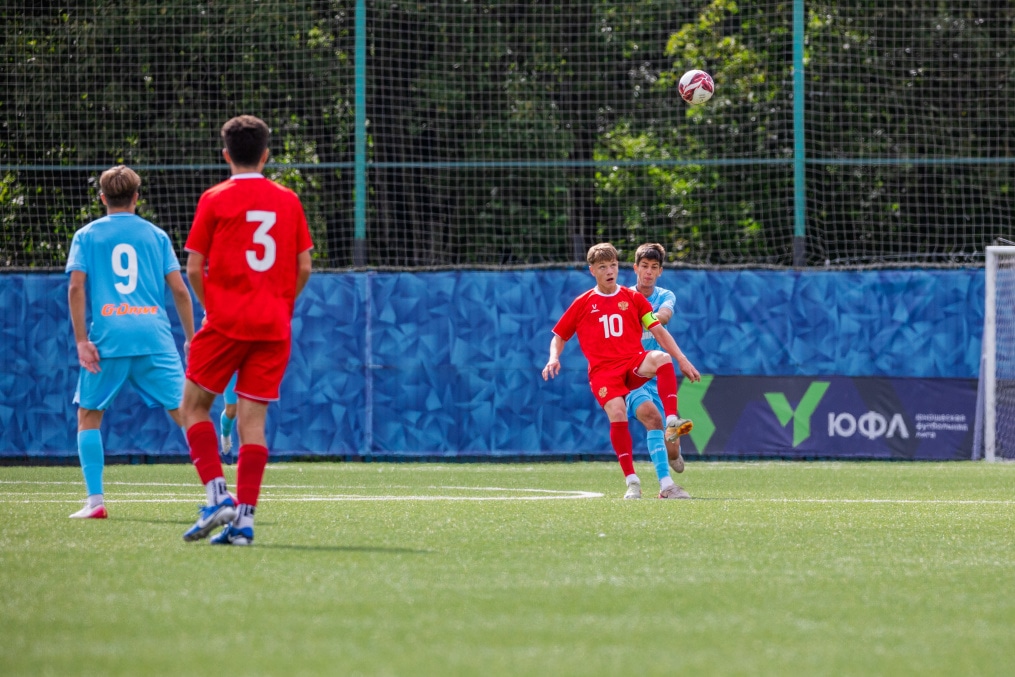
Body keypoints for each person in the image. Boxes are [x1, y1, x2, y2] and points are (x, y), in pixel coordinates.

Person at [181, 114, 313, 546]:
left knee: (193, 407)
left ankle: (218, 496)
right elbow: (304, 265)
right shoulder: (288, 200)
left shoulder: (214, 198)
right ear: (266, 154)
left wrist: (212, 307)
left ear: (225, 155)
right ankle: (244, 523)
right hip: (273, 325)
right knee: (252, 424)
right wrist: (281, 305)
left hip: (227, 320)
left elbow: (194, 268)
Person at [65, 165, 195, 518]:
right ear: (137, 197)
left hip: (109, 338)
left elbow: (76, 287)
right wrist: (191, 339)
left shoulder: (87, 235)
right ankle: (217, 491)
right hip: (154, 336)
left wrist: (81, 340)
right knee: (187, 412)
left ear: (103, 197)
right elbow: (180, 291)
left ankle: (96, 503)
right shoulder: (156, 236)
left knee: (89, 416)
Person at [542, 243, 700, 499]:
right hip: (605, 373)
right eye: (602, 267)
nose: (609, 270)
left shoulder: (635, 298)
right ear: (592, 270)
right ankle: (635, 482)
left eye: (613, 265)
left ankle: (673, 422)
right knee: (626, 414)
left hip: (634, 363)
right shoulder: (583, 303)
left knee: (662, 360)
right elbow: (559, 335)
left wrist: (682, 359)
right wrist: (553, 358)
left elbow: (658, 327)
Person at [624, 243, 689, 499]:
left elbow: (663, 317)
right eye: (644, 266)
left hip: (658, 373)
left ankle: (674, 451)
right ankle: (666, 486)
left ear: (660, 271)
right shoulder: (623, 296)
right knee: (653, 418)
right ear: (635, 268)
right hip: (632, 373)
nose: (648, 272)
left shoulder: (665, 295)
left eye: (653, 267)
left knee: (671, 445)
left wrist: (643, 317)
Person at [218, 372, 238, 464]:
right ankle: (226, 440)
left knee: (253, 409)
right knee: (231, 411)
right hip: (233, 365)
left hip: (255, 364)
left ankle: (252, 454)